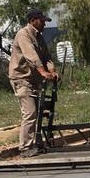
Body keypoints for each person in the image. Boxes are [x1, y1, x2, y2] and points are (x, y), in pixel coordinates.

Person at [8, 8, 58, 157]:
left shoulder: (39, 36)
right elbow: (31, 55)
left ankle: (36, 142)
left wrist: (52, 70)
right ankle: (25, 147)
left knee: (38, 111)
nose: (44, 24)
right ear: (32, 21)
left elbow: (46, 57)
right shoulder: (23, 34)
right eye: (41, 21)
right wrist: (43, 72)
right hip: (21, 78)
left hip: (33, 79)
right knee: (30, 112)